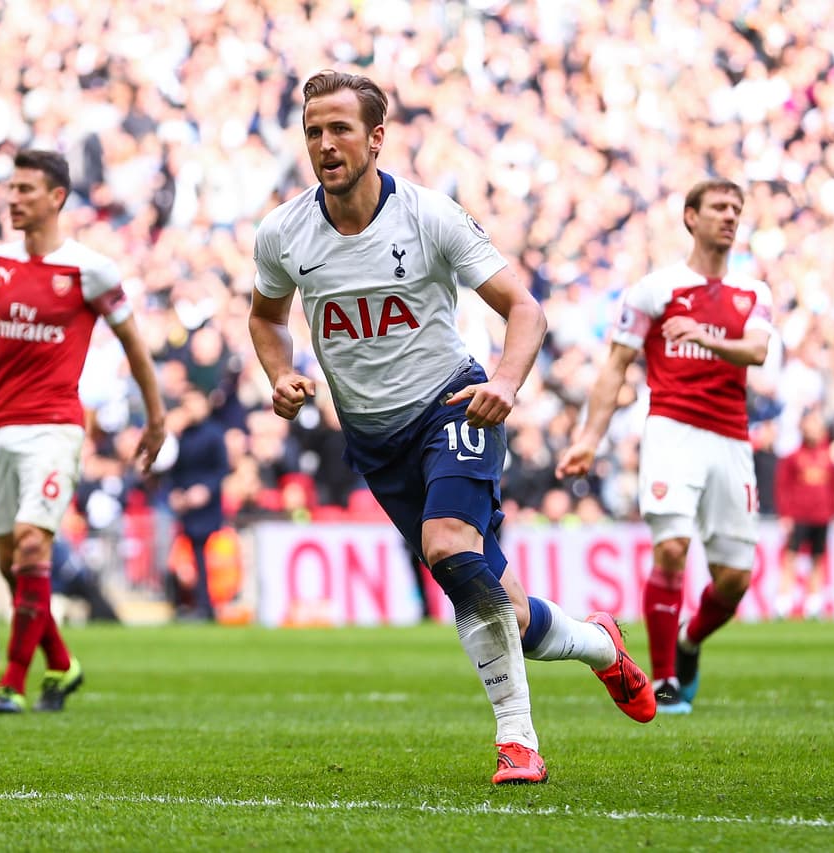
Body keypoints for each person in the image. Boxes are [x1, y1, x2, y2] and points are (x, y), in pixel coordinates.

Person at [249, 70, 654, 786]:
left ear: (377, 137)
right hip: (374, 440)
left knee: (448, 548)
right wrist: (280, 372)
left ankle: (518, 741)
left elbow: (524, 308)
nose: (324, 143)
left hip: (452, 405)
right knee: (499, 601)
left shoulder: (430, 216)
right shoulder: (283, 232)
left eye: (340, 128)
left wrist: (502, 381)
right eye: (314, 130)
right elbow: (265, 315)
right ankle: (600, 644)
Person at [0, 149, 166, 714]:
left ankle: (12, 682)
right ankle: (64, 664)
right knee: (9, 564)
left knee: (29, 545)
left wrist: (156, 415)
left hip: (55, 427)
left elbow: (133, 346)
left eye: (25, 189)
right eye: (10, 189)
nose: (13, 199)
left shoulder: (89, 269)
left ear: (56, 198)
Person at [557, 178, 775, 714]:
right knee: (672, 548)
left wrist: (703, 336)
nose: (729, 216)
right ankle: (665, 680)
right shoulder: (654, 290)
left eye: (736, 209)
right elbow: (615, 367)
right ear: (690, 217)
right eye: (719, 207)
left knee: (734, 580)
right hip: (671, 431)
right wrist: (589, 438)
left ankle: (689, 640)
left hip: (731, 439)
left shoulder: (754, 293)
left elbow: (758, 351)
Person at [164, 384, 228, 622]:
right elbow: (173, 470)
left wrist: (205, 490)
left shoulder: (214, 433)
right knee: (187, 557)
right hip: (186, 505)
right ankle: (189, 602)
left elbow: (221, 469)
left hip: (206, 506)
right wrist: (176, 493)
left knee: (205, 557)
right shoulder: (181, 436)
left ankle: (207, 605)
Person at [774, 407, 834, 620]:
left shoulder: (828, 458)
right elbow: (782, 486)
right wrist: (785, 514)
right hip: (799, 515)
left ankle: (814, 604)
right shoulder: (793, 457)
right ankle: (783, 604)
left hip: (821, 516)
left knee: (818, 559)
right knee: (790, 558)